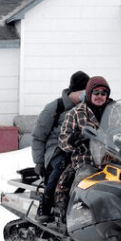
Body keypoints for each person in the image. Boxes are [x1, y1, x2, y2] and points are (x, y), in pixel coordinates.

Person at [52, 76, 114, 222]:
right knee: (84, 181)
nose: (100, 96)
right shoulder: (75, 113)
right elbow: (63, 141)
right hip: (86, 160)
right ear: (89, 93)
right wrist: (73, 139)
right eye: (96, 92)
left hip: (115, 160)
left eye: (103, 93)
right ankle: (75, 218)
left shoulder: (116, 111)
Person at [31, 70, 89, 223]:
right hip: (56, 149)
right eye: (84, 92)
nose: (86, 96)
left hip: (79, 148)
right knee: (59, 166)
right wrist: (38, 162)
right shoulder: (55, 107)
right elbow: (38, 136)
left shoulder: (86, 108)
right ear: (75, 91)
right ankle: (46, 203)